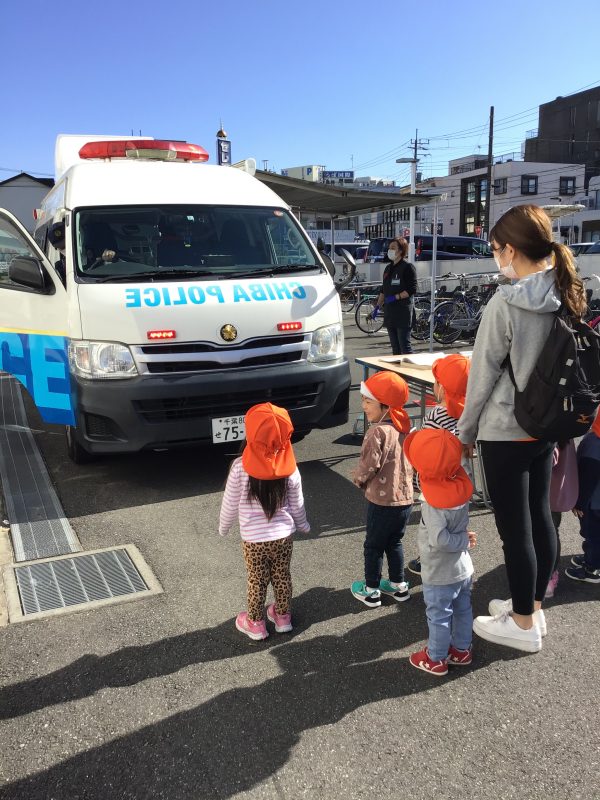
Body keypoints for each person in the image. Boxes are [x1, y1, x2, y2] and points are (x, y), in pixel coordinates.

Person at [458, 204, 587, 653]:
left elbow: (481, 376)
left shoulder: (506, 303)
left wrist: (465, 432)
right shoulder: (566, 290)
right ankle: (531, 607)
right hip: (549, 424)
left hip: (505, 429)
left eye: (495, 248)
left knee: (515, 532)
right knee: (540, 519)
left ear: (510, 250)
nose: (496, 256)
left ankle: (523, 624)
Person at [219, 402, 310, 640]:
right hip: (283, 537)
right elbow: (297, 503)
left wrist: (224, 527)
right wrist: (303, 525)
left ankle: (255, 623)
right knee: (282, 576)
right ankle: (283, 617)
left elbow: (229, 503)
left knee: (257, 580)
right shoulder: (290, 468)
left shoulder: (240, 467)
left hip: (253, 541)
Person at [404, 428, 476, 676]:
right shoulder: (460, 487)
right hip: (462, 568)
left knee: (439, 616)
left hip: (439, 572)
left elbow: (439, 540)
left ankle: (435, 658)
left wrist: (462, 540)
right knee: (463, 609)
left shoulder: (432, 504)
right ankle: (461, 649)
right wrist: (463, 540)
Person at [350, 371, 414, 607]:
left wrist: (358, 479)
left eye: (368, 401)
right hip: (405, 499)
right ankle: (398, 585)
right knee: (394, 542)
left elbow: (369, 464)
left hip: (382, 501)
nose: (363, 406)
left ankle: (371, 590)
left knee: (374, 546)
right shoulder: (404, 427)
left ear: (386, 405)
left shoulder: (377, 432)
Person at [407, 353, 471, 577]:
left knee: (430, 526)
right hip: (460, 479)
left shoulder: (435, 416)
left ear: (441, 387)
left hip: (435, 482)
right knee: (456, 521)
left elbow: (423, 452)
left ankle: (427, 561)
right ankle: (457, 556)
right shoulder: (469, 414)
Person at [565, 411, 600, 584]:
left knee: (593, 535)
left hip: (594, 503)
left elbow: (588, 478)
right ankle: (591, 557)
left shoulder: (594, 445)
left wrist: (579, 503)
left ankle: (592, 568)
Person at [374, 237, 417, 355]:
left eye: (393, 248)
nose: (390, 250)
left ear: (401, 251)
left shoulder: (407, 267)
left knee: (405, 347)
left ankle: (411, 367)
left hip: (403, 314)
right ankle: (397, 367)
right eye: (389, 248)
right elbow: (383, 289)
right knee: (395, 349)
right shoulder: (388, 268)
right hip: (390, 313)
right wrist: (377, 307)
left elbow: (412, 289)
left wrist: (395, 297)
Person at [546, 440, 579, 597]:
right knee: (550, 530)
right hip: (554, 488)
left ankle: (547, 576)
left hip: (540, 480)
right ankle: (549, 576)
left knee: (544, 530)